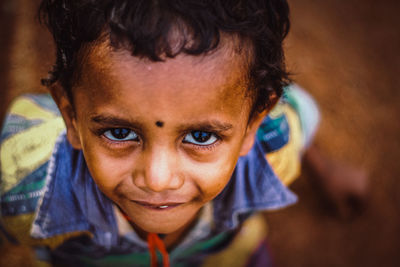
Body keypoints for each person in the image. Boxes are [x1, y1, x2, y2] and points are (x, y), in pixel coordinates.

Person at [0, 0, 358, 266]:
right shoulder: (24, 189)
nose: (157, 180)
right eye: (121, 132)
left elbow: (298, 114)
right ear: (70, 116)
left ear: (253, 123)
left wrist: (325, 173)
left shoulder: (274, 143)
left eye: (201, 137)